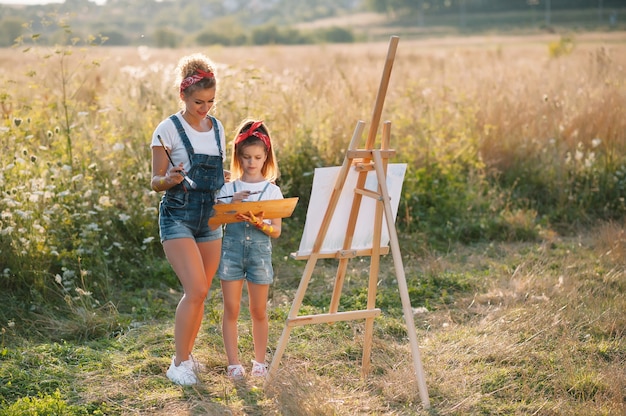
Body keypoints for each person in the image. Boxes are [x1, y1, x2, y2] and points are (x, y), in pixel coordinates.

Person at [150, 53, 227, 386]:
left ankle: (186, 357)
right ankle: (178, 364)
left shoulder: (218, 128)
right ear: (182, 94)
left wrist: (234, 183)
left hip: (211, 219)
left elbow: (218, 174)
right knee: (194, 290)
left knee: (202, 293)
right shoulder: (167, 129)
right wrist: (169, 179)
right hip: (177, 216)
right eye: (199, 101)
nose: (205, 108)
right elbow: (155, 181)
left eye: (211, 101)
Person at [216, 119, 283, 380]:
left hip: (259, 255)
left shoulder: (272, 191)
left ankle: (259, 363)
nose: (251, 162)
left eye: (257, 157)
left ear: (265, 157)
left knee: (258, 310)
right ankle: (234, 364)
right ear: (238, 157)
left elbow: (276, 231)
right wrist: (231, 206)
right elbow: (215, 221)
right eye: (246, 157)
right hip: (230, 254)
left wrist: (259, 223)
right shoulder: (228, 189)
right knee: (231, 308)